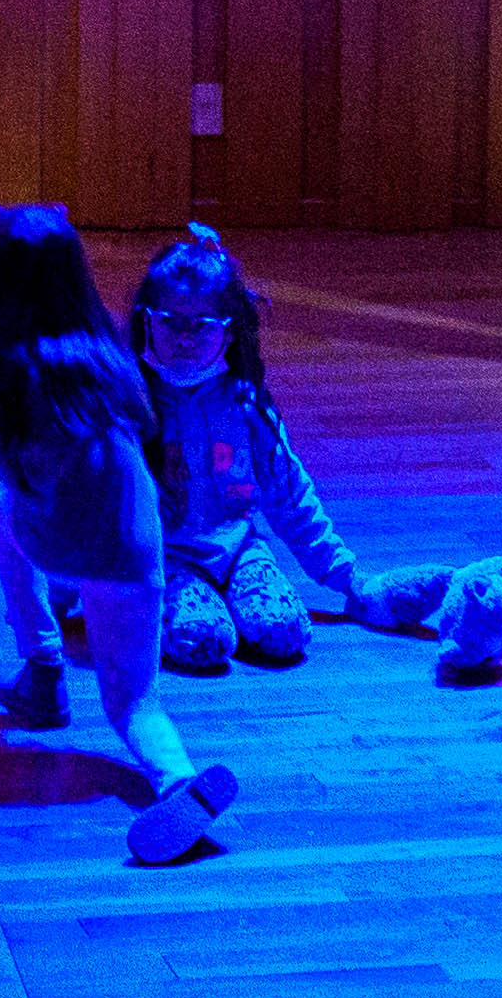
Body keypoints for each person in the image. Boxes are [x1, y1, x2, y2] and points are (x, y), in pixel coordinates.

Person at [0, 207, 236, 865]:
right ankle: (178, 780)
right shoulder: (111, 360)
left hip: (57, 542)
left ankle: (43, 663)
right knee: (134, 699)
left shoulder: (5, 376)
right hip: (139, 551)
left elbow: (9, 470)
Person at [124, 228, 381, 670]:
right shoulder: (129, 404)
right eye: (170, 322)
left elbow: (289, 493)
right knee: (204, 641)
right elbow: (93, 499)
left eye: (201, 326)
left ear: (229, 333)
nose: (184, 338)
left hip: (240, 550)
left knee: (285, 634)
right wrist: (61, 590)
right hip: (164, 561)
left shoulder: (247, 405)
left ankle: (235, 594)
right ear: (146, 321)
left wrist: (345, 577)